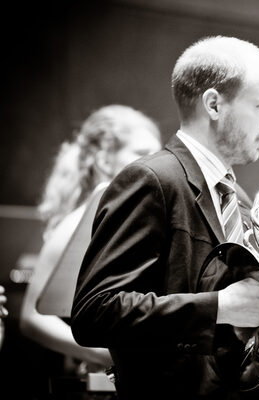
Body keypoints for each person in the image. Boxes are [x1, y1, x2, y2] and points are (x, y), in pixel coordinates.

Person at [70, 35, 259, 400]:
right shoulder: (153, 179)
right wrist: (220, 307)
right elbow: (95, 312)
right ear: (214, 105)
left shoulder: (239, 198)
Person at [19, 104, 162, 398]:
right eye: (140, 152)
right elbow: (32, 318)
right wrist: (108, 356)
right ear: (103, 159)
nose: (153, 164)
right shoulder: (81, 219)